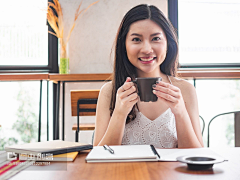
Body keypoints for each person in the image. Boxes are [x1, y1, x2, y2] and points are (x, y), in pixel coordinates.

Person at [93, 4, 203, 148]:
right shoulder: (109, 92)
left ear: (168, 43)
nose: (146, 49)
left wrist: (180, 112)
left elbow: (198, 155)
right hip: (124, 172)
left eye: (156, 38)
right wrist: (119, 114)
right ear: (124, 44)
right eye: (136, 39)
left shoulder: (185, 90)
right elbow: (98, 158)